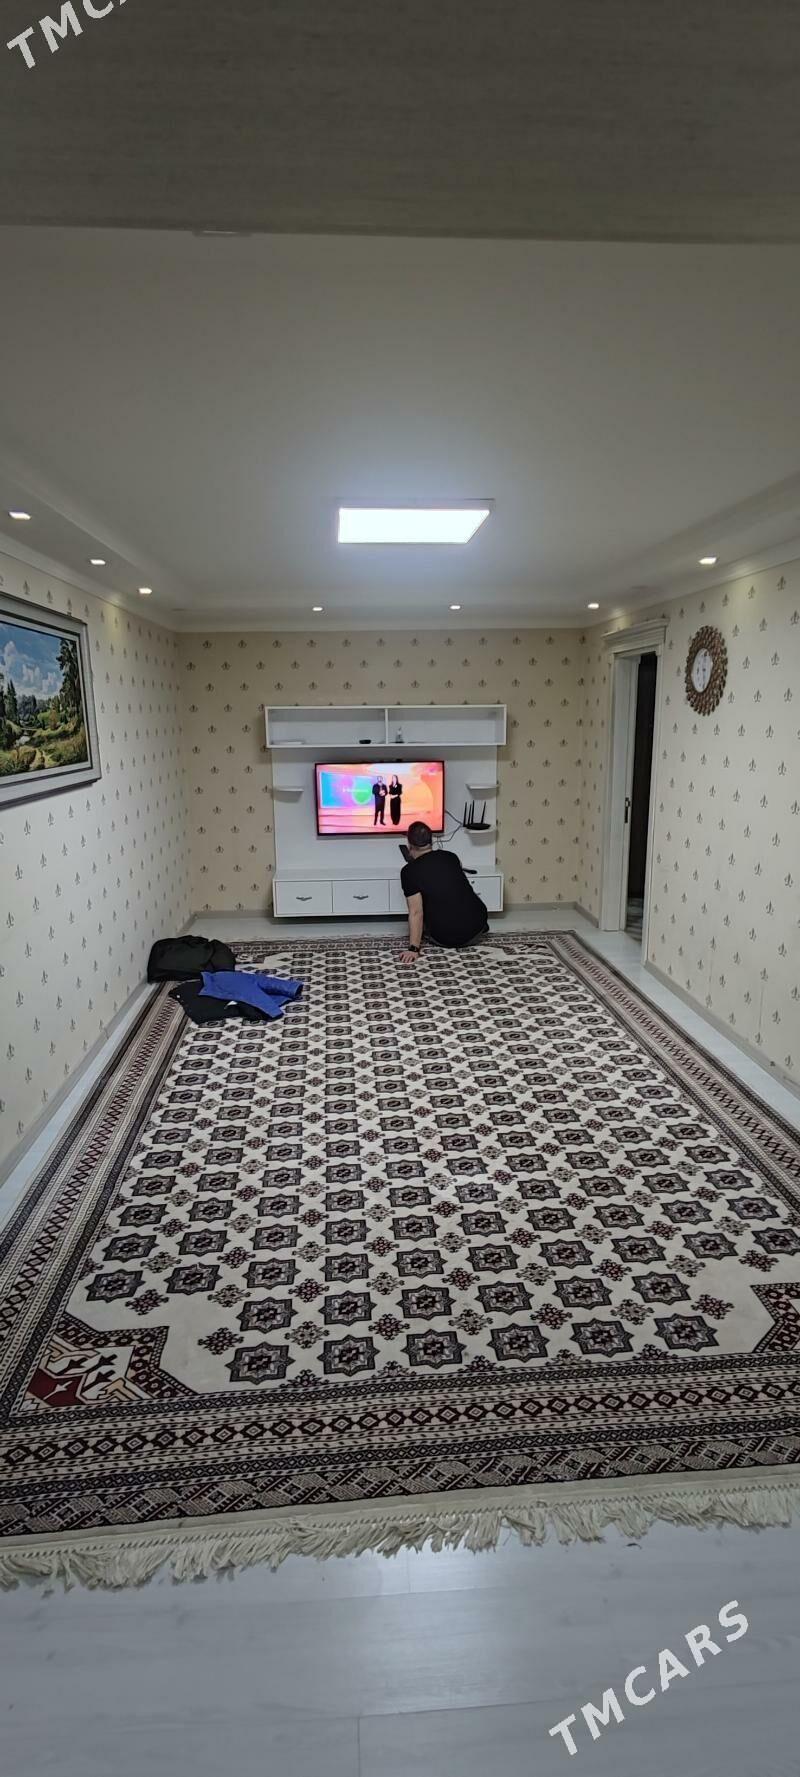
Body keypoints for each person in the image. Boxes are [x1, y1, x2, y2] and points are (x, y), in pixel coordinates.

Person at [399, 821, 489, 963]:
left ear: (409, 845)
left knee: (424, 908)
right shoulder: (451, 857)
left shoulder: (408, 872)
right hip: (477, 928)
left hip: (446, 938)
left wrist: (413, 948)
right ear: (431, 840)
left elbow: (416, 912)